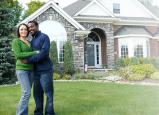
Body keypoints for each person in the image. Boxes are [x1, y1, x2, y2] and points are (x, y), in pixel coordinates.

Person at [22, 20, 55, 115]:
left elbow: (43, 53)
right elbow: (31, 54)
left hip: (45, 71)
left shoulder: (44, 37)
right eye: (29, 28)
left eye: (32, 27)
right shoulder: (32, 40)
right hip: (35, 72)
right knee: (37, 94)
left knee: (48, 93)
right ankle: (38, 112)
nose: (30, 29)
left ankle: (49, 113)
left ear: (37, 26)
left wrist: (29, 60)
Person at [12, 23, 39, 115]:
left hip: (31, 69)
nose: (24, 31)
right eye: (21, 29)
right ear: (18, 31)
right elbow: (18, 55)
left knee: (26, 94)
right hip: (22, 69)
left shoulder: (29, 42)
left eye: (25, 29)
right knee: (26, 93)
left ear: (27, 31)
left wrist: (32, 54)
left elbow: (27, 55)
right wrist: (33, 53)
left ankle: (24, 113)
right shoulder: (16, 41)